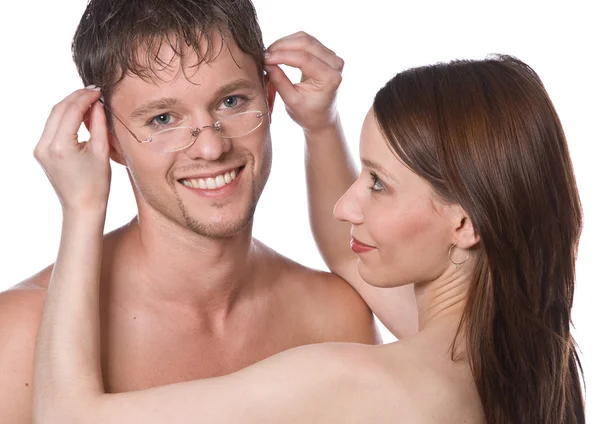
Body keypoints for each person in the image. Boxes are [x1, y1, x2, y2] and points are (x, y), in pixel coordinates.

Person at [31, 27, 586, 422]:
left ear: (464, 222)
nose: (347, 207)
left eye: (377, 183)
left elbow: (65, 417)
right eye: (163, 117)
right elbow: (347, 255)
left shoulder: (346, 381)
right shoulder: (526, 367)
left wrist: (82, 209)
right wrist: (320, 126)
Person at [1, 1, 425, 422]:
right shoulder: (23, 333)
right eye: (163, 118)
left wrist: (321, 123)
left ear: (271, 98)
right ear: (108, 140)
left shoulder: (335, 316)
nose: (210, 147)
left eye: (232, 101)